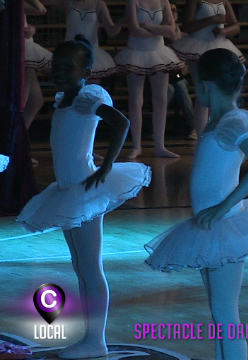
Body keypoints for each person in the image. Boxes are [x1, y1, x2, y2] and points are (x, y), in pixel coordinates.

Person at [144, 48, 248, 360]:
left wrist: (223, 206)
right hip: (211, 228)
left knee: (226, 314)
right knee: (220, 314)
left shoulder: (231, 122)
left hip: (225, 226)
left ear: (205, 85)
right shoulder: (220, 121)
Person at [16, 35, 151, 359]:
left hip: (85, 193)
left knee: (90, 267)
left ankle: (96, 341)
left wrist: (105, 166)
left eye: (68, 67)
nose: (59, 72)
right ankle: (90, 338)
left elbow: (121, 122)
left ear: (86, 71)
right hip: (68, 192)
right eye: (56, 66)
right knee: (81, 265)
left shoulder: (88, 96)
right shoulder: (67, 97)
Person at [114, 0, 184, 159]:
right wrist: (159, 30)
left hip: (158, 52)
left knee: (161, 99)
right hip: (136, 52)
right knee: (135, 101)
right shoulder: (133, 1)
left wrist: (147, 26)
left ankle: (160, 145)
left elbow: (171, 30)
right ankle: (136, 145)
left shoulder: (163, 1)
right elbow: (134, 30)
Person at [171, 0, 243, 137]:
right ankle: (201, 134)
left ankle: (215, 130)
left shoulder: (224, 1)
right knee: (203, 92)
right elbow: (187, 26)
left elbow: (235, 26)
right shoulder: (196, 1)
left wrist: (224, 30)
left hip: (219, 45)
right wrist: (212, 20)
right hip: (198, 46)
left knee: (218, 91)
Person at [42, 0, 121, 81]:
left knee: (90, 88)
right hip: (70, 52)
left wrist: (121, 22)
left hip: (91, 52)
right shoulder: (68, 2)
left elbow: (111, 31)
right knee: (70, 86)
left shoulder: (99, 4)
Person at [23, 0, 49, 162]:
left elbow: (28, 18)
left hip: (27, 47)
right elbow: (41, 9)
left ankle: (18, 144)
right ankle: (15, 148)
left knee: (35, 101)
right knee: (23, 103)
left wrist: (31, 29)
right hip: (21, 50)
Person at [166, 1, 196, 140]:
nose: (171, 13)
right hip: (162, 75)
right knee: (169, 90)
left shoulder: (185, 37)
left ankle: (193, 127)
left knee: (180, 86)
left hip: (179, 76)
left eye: (174, 11)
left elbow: (191, 59)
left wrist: (186, 68)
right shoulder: (158, 36)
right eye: (169, 10)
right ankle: (156, 127)